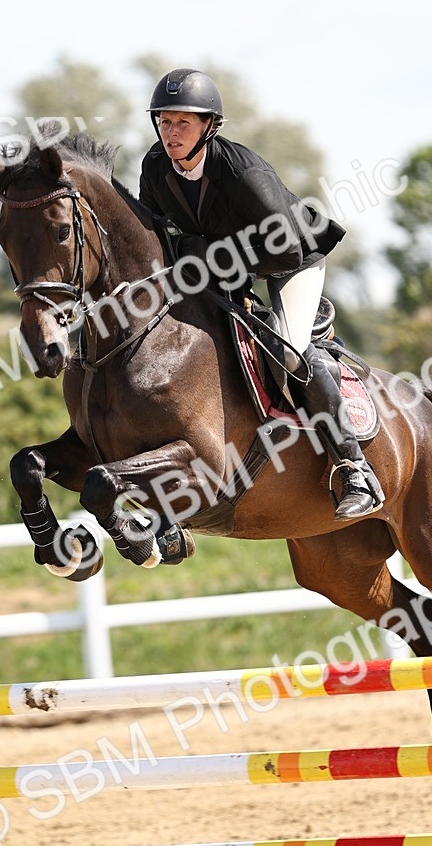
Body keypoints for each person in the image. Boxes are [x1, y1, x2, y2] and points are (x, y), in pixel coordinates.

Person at [138, 68, 384, 520]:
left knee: (287, 350)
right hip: (224, 266)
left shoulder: (242, 173)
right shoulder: (155, 167)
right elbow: (153, 236)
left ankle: (355, 468)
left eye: (183, 123)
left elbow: (283, 244)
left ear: (208, 127)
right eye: (164, 122)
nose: (171, 134)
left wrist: (206, 254)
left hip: (290, 259)